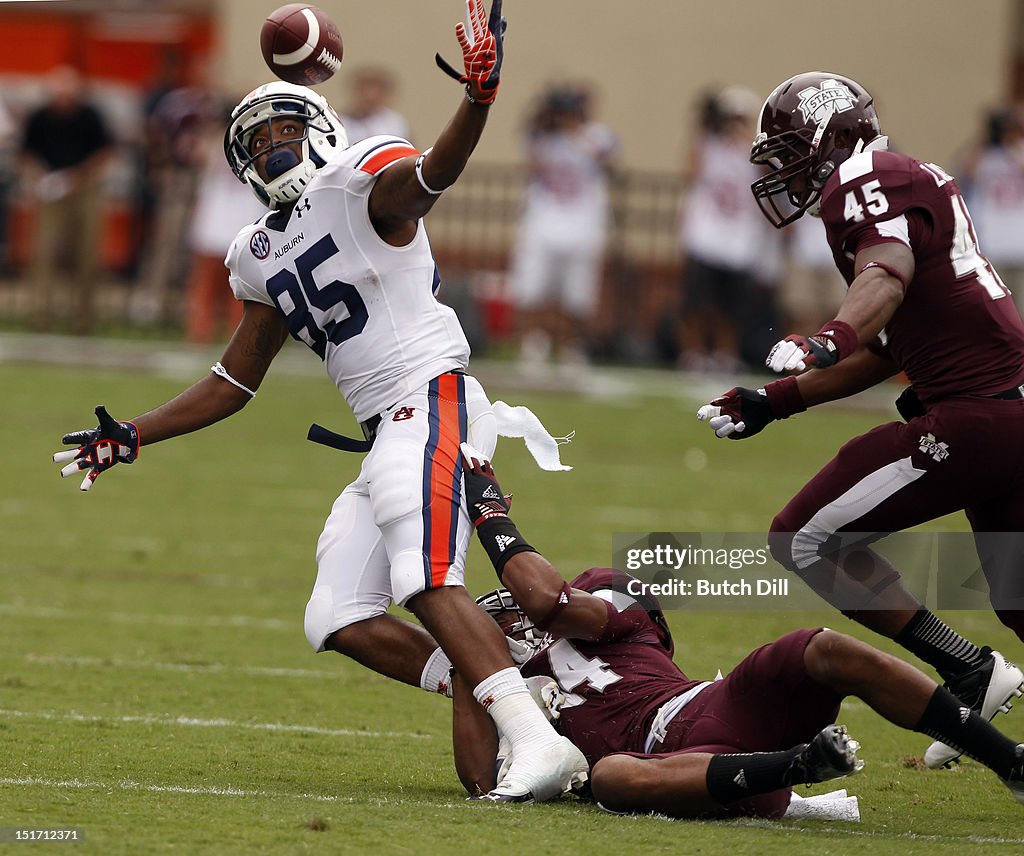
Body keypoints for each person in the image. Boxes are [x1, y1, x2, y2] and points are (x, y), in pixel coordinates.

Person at [51, 0, 586, 804]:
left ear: (322, 129)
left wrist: (476, 100)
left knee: (423, 573)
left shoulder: (359, 181)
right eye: (255, 143)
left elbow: (433, 174)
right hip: (388, 427)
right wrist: (134, 434)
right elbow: (235, 380)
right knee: (335, 615)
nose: (272, 149)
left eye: (283, 133)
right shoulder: (257, 252)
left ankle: (539, 739)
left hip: (433, 395)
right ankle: (512, 689)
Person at [695, 71, 1024, 770]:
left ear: (832, 137)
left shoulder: (864, 177)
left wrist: (828, 336)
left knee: (806, 537)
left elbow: (886, 273)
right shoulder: (902, 176)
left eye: (790, 152)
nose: (784, 172)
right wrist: (776, 402)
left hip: (975, 415)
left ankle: (967, 670)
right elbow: (886, 345)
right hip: (1005, 410)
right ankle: (975, 674)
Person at [451, 444, 1024, 817]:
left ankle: (1008, 760)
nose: (505, 617)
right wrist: (468, 666)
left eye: (504, 611)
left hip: (714, 704)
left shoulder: (603, 597)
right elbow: (482, 781)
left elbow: (547, 601)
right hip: (691, 768)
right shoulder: (511, 685)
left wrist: (490, 511)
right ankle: (801, 765)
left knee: (820, 649)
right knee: (610, 779)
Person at [509, 84, 618, 370]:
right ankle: (534, 344)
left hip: (582, 226)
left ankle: (571, 346)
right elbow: (530, 160)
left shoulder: (596, 137)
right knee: (533, 287)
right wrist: (542, 123)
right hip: (543, 222)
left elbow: (610, 161)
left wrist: (578, 136)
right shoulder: (543, 137)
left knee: (577, 293)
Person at [677, 86, 778, 373]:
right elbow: (691, 172)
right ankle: (693, 352)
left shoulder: (753, 152)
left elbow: (770, 170)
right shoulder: (707, 147)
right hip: (707, 235)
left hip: (738, 241)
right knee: (697, 303)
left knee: (732, 306)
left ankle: (724, 353)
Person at [20, 66, 112, 333]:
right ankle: (40, 316)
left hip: (85, 190)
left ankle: (82, 320)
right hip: (50, 190)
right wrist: (41, 178)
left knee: (86, 255)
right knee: (44, 253)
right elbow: (26, 152)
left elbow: (105, 152)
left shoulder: (89, 116)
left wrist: (76, 177)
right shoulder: (40, 116)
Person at [339, 67, 412, 144]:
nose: (369, 95)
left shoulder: (396, 124)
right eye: (364, 88)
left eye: (376, 90)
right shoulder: (338, 122)